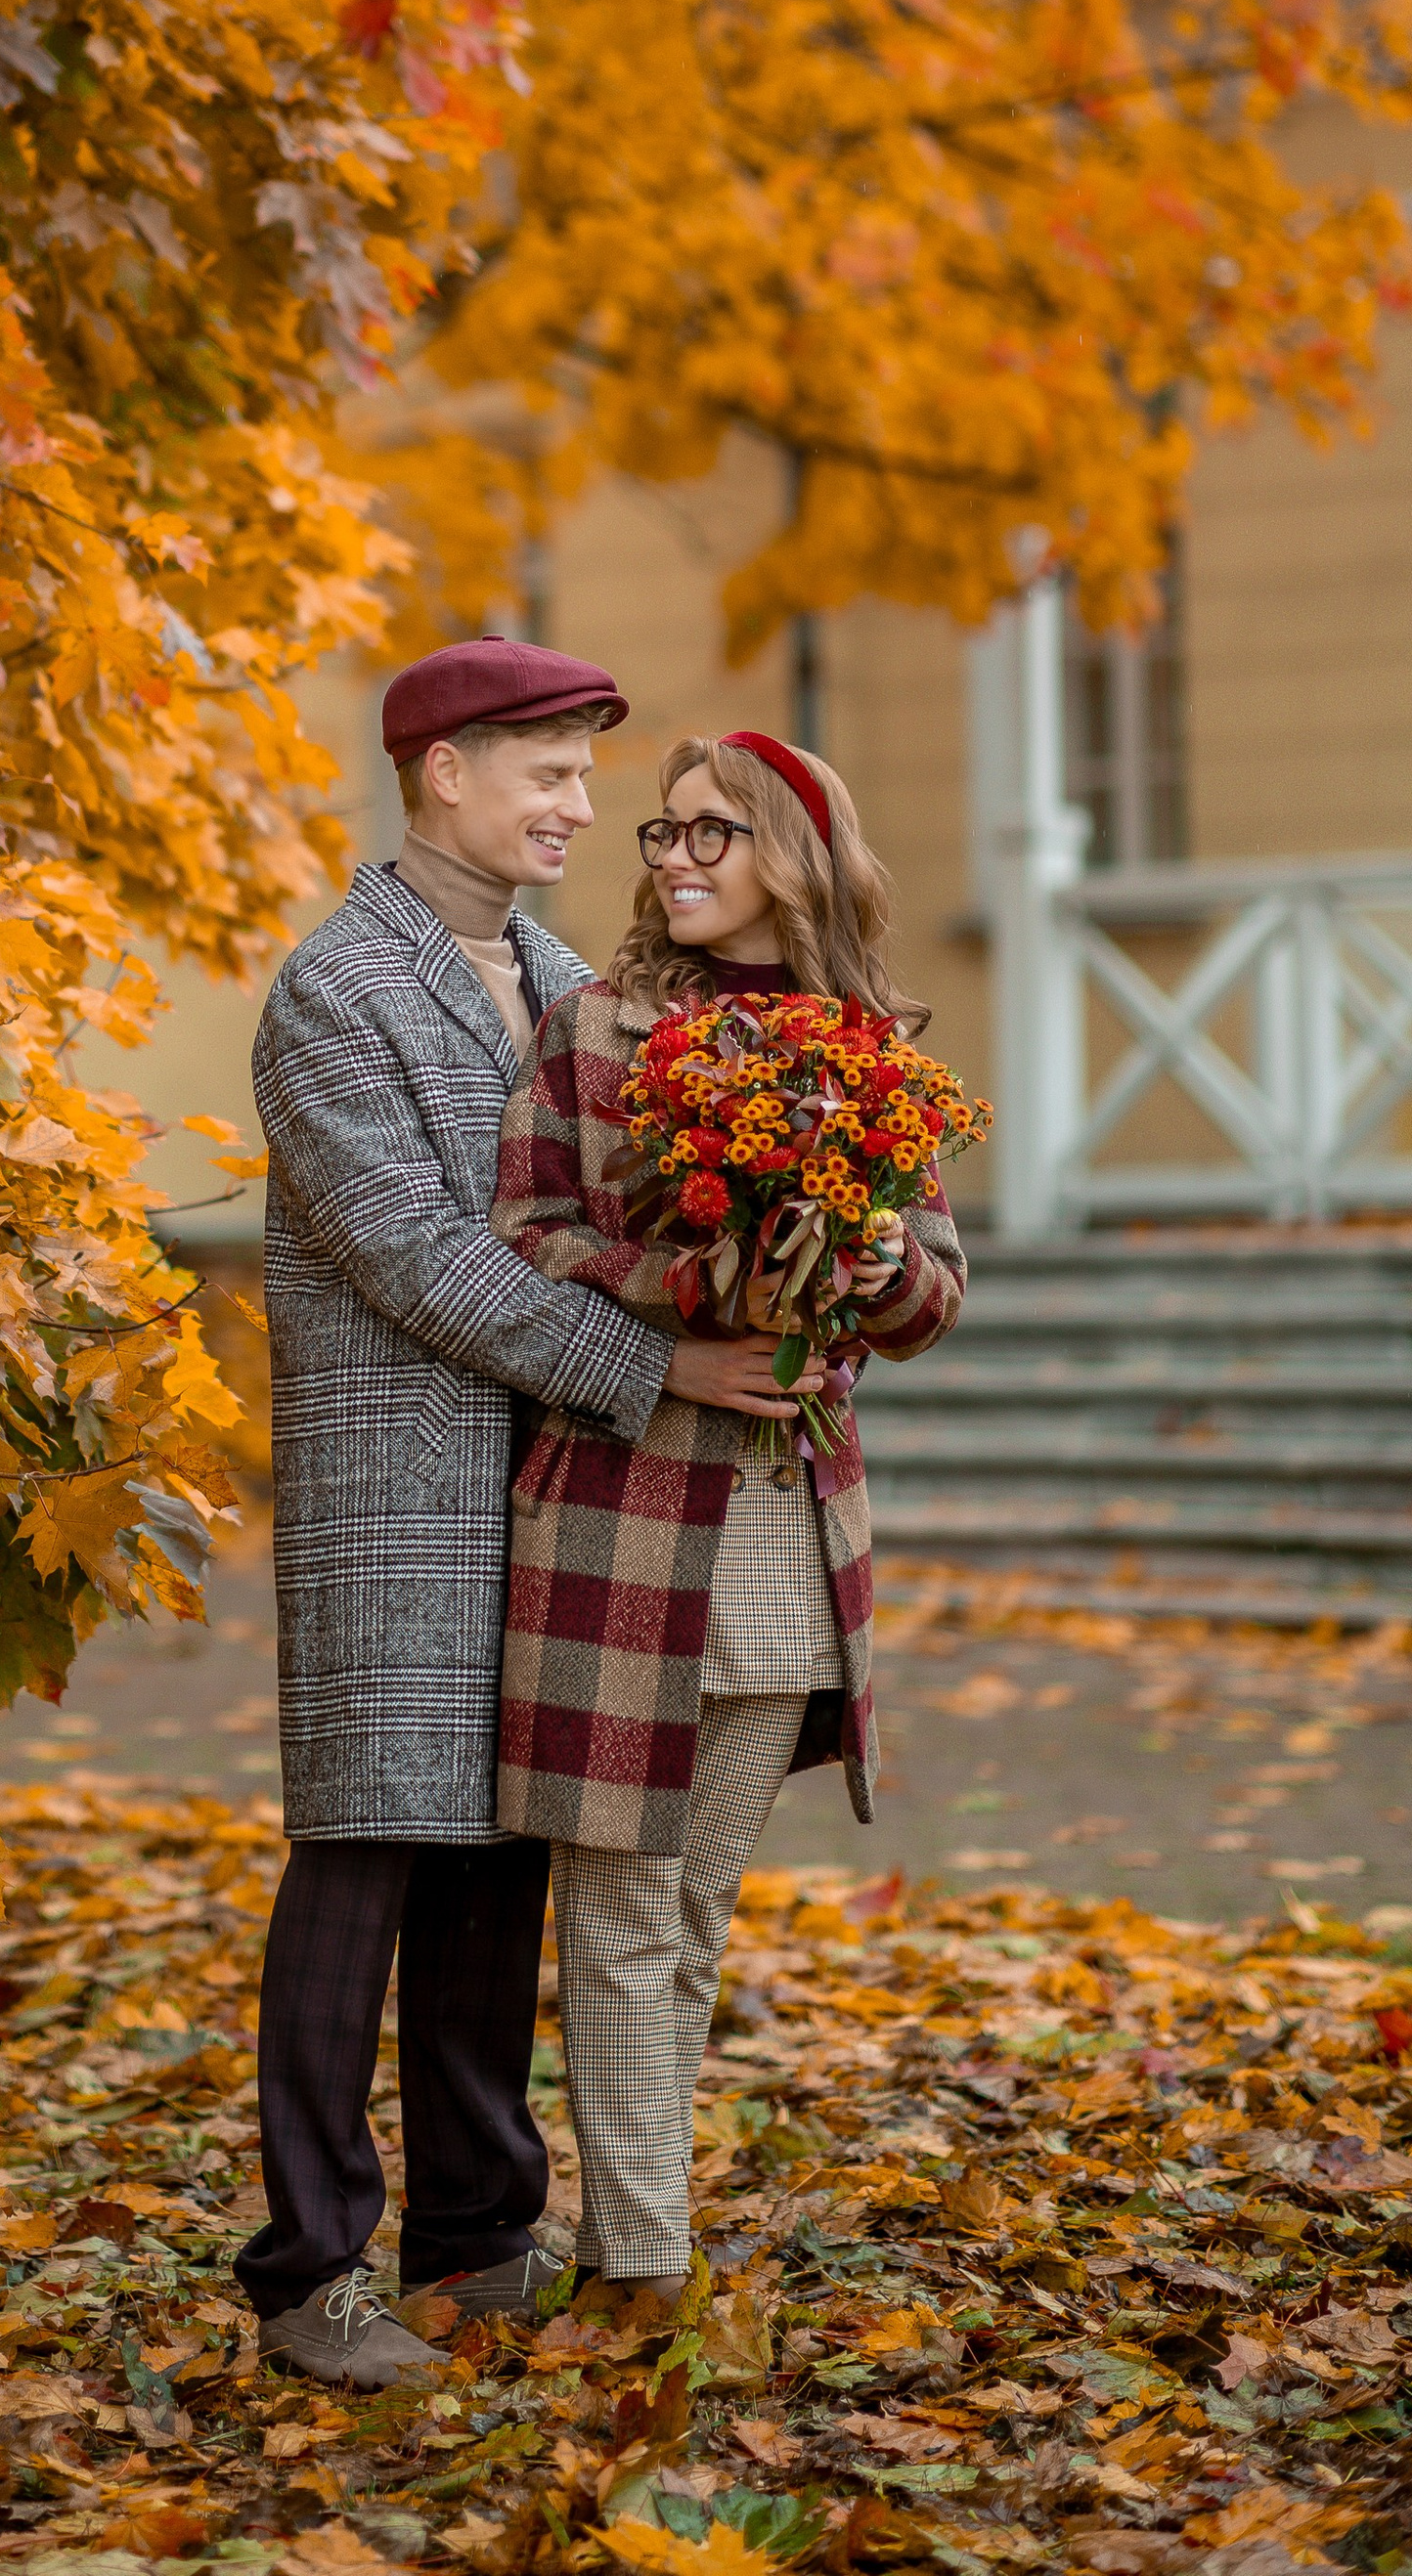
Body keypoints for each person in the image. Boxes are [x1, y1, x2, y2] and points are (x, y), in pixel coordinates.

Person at [242, 635, 685, 2390]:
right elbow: (419, 1256)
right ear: (444, 772)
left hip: (551, 1483)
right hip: (395, 1482)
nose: (582, 807)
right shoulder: (332, 991)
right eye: (551, 773)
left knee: (502, 1861)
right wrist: (652, 1376)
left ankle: (480, 2239)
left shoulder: (569, 977)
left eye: (587, 773)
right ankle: (305, 2275)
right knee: (366, 1856)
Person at [490, 726, 966, 2320]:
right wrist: (689, 1293)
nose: (674, 857)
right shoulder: (597, 1027)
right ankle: (647, 2265)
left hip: (787, 1537)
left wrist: (871, 1268)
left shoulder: (868, 1046)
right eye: (664, 831)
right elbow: (527, 1238)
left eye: (714, 833)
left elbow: (933, 1291)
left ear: (795, 855)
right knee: (620, 1910)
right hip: (621, 1522)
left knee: (692, 1913)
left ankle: (644, 2230)